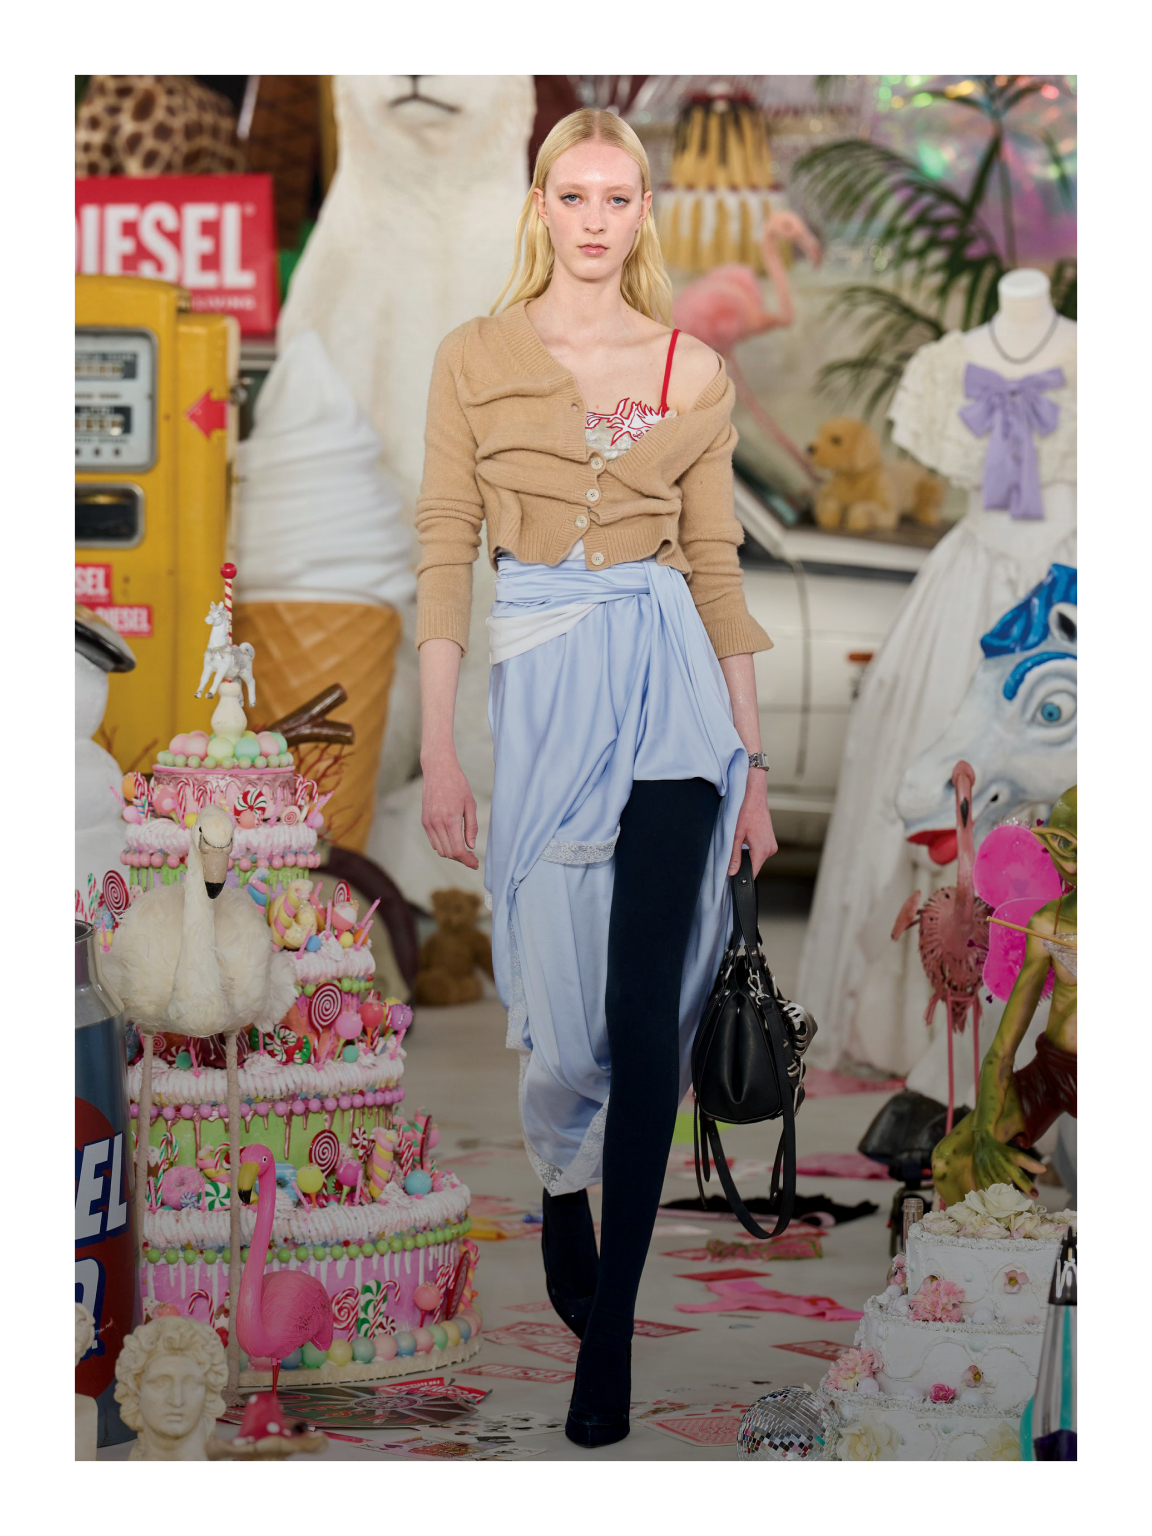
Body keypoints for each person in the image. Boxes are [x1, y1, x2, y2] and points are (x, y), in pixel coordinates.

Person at [414, 108, 775, 1448]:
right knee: (564, 1030)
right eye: (573, 196)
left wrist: (752, 770)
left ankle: (608, 1338)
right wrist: (442, 746)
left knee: (643, 1016)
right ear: (541, 206)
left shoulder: (690, 367)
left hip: (673, 695)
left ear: (642, 215)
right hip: (547, 689)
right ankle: (561, 1179)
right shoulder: (475, 356)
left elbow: (715, 567)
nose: (595, 220)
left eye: (619, 198)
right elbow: (444, 544)